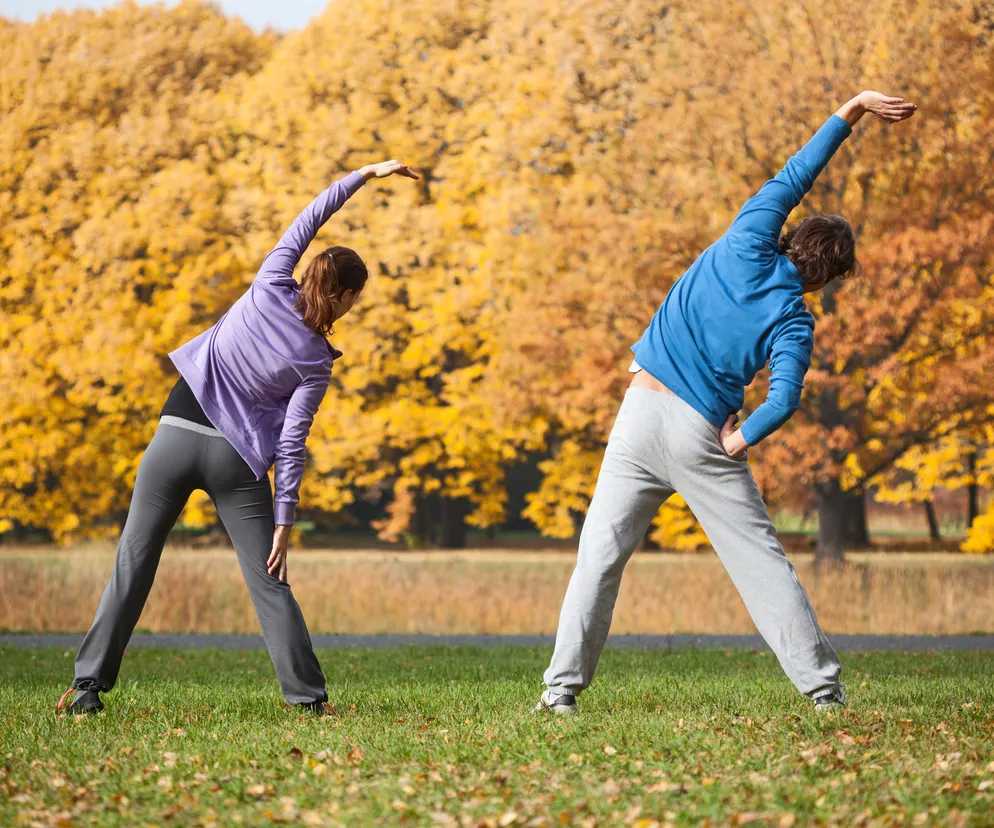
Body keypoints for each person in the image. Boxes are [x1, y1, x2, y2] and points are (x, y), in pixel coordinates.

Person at [535, 91, 917, 716]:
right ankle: (824, 693)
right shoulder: (795, 318)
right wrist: (739, 442)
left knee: (598, 561)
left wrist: (853, 108)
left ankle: (559, 694)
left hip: (637, 414)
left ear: (792, 233)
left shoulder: (748, 236)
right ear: (827, 276)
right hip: (698, 434)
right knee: (760, 564)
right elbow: (785, 399)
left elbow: (798, 171)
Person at [58, 160, 419, 715]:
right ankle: (308, 701)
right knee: (269, 581)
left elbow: (310, 216)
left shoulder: (270, 279)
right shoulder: (317, 361)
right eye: (355, 300)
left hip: (175, 435)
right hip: (236, 458)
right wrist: (284, 520)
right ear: (345, 297)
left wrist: (364, 174)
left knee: (133, 560)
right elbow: (292, 444)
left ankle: (86, 690)